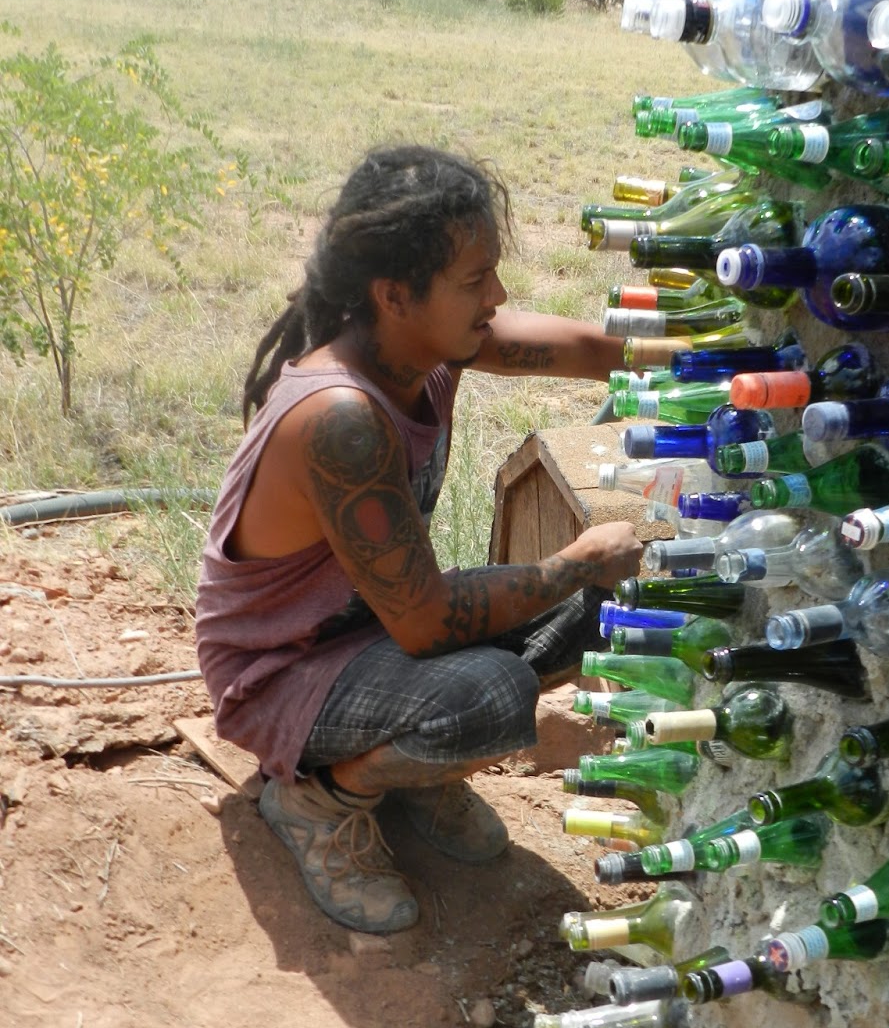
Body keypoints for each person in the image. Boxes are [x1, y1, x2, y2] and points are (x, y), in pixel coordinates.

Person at [195, 147, 643, 935]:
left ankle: (404, 771)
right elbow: (428, 622)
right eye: (475, 281)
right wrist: (575, 561)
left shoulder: (426, 348)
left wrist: (705, 363)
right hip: (280, 673)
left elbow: (586, 349)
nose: (496, 297)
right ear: (395, 295)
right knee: (491, 694)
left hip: (371, 631)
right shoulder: (340, 418)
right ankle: (318, 799)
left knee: (611, 611)